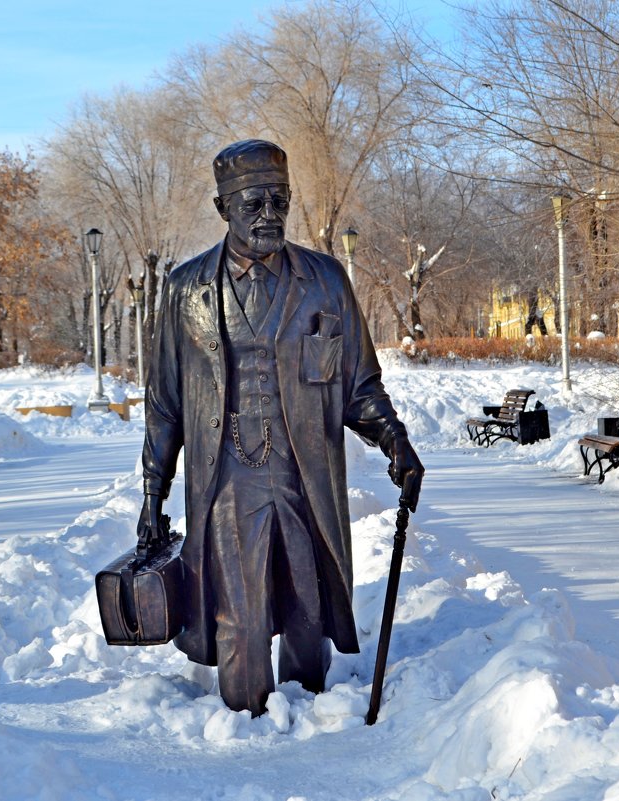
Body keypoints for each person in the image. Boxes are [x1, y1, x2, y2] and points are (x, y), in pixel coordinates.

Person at [138, 139, 424, 716]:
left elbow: (358, 383)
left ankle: (313, 708)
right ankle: (246, 723)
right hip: (226, 479)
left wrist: (394, 438)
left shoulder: (325, 280)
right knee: (237, 613)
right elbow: (164, 402)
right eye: (253, 205)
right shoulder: (186, 289)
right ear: (223, 208)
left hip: (305, 470)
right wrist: (152, 493)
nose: (269, 216)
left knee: (307, 603)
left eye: (279, 201)